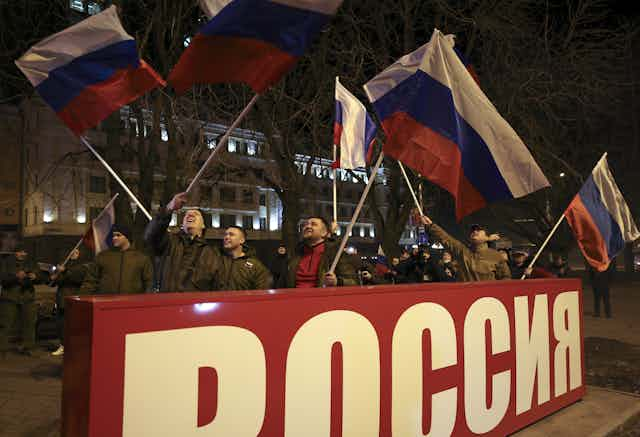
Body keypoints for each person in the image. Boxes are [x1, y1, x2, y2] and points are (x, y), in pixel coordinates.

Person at [144, 192, 220, 292]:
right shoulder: (169, 241)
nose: (190, 215)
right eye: (186, 214)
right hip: (168, 301)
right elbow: (151, 235)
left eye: (196, 214)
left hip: (195, 304)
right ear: (182, 224)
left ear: (203, 225)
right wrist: (169, 209)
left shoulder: (212, 253)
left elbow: (216, 284)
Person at [421, 216, 510, 281]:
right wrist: (431, 225)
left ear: (487, 236)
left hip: (488, 301)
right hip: (467, 300)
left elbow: (506, 278)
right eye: (472, 230)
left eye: (478, 229)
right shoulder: (462, 251)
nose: (474, 231)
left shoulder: (496, 256)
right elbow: (446, 239)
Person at [278, 217, 358, 288]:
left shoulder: (335, 254)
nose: (308, 226)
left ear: (324, 232)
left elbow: (353, 282)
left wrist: (337, 282)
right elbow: (282, 282)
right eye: (305, 225)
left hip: (322, 300)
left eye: (313, 224)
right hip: (295, 300)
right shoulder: (295, 253)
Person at [81, 224, 152, 294]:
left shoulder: (141, 259)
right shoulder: (103, 256)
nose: (114, 238)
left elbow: (149, 283)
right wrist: (83, 298)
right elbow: (90, 281)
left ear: (127, 237)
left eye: (118, 235)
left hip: (132, 303)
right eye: (113, 235)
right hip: (105, 302)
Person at [0, 244, 42, 355]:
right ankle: (2, 348)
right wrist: (16, 277)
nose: (22, 254)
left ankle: (28, 347)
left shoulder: (31, 263)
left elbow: (41, 277)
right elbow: (3, 279)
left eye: (24, 252)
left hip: (28, 298)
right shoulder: (6, 262)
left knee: (29, 324)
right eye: (20, 252)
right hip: (9, 298)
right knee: (5, 324)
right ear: (15, 252)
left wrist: (35, 277)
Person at [49, 248, 88, 356]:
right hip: (61, 299)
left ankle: (75, 347)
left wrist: (64, 271)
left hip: (74, 299)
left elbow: (77, 278)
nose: (73, 254)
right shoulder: (64, 264)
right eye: (72, 252)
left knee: (74, 325)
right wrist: (54, 276)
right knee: (61, 325)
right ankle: (63, 345)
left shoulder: (82, 266)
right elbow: (54, 282)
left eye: (76, 252)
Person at [216, 226, 272, 290]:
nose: (226, 237)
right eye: (225, 234)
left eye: (231, 234)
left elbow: (262, 290)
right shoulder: (216, 260)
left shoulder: (255, 266)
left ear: (242, 240)